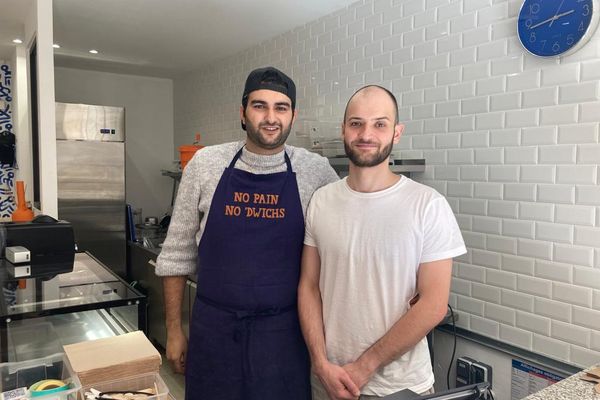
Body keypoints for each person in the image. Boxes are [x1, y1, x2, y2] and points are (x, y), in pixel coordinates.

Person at [156, 66, 338, 400]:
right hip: (214, 331)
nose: (271, 117)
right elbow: (176, 254)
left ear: (292, 115)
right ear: (243, 113)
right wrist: (174, 330)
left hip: (283, 337)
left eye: (281, 107)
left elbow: (342, 244)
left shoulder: (316, 171)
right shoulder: (205, 164)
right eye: (260, 106)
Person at [298, 85, 467, 400]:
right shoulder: (322, 201)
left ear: (397, 132)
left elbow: (433, 305)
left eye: (380, 124)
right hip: (328, 382)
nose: (366, 133)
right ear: (344, 129)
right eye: (356, 123)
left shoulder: (427, 205)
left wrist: (363, 368)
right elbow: (309, 285)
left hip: (398, 387)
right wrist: (320, 363)